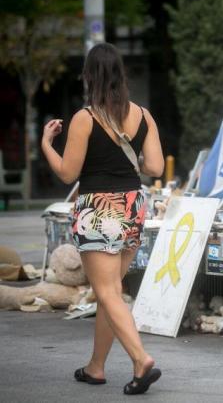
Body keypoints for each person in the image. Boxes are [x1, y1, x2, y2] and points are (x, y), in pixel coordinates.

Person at [41, 43, 164, 395]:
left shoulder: (85, 118)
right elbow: (154, 167)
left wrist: (48, 145)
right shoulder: (143, 115)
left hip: (99, 209)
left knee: (107, 291)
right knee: (111, 291)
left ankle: (141, 360)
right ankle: (96, 367)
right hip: (133, 205)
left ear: (89, 76)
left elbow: (68, 174)